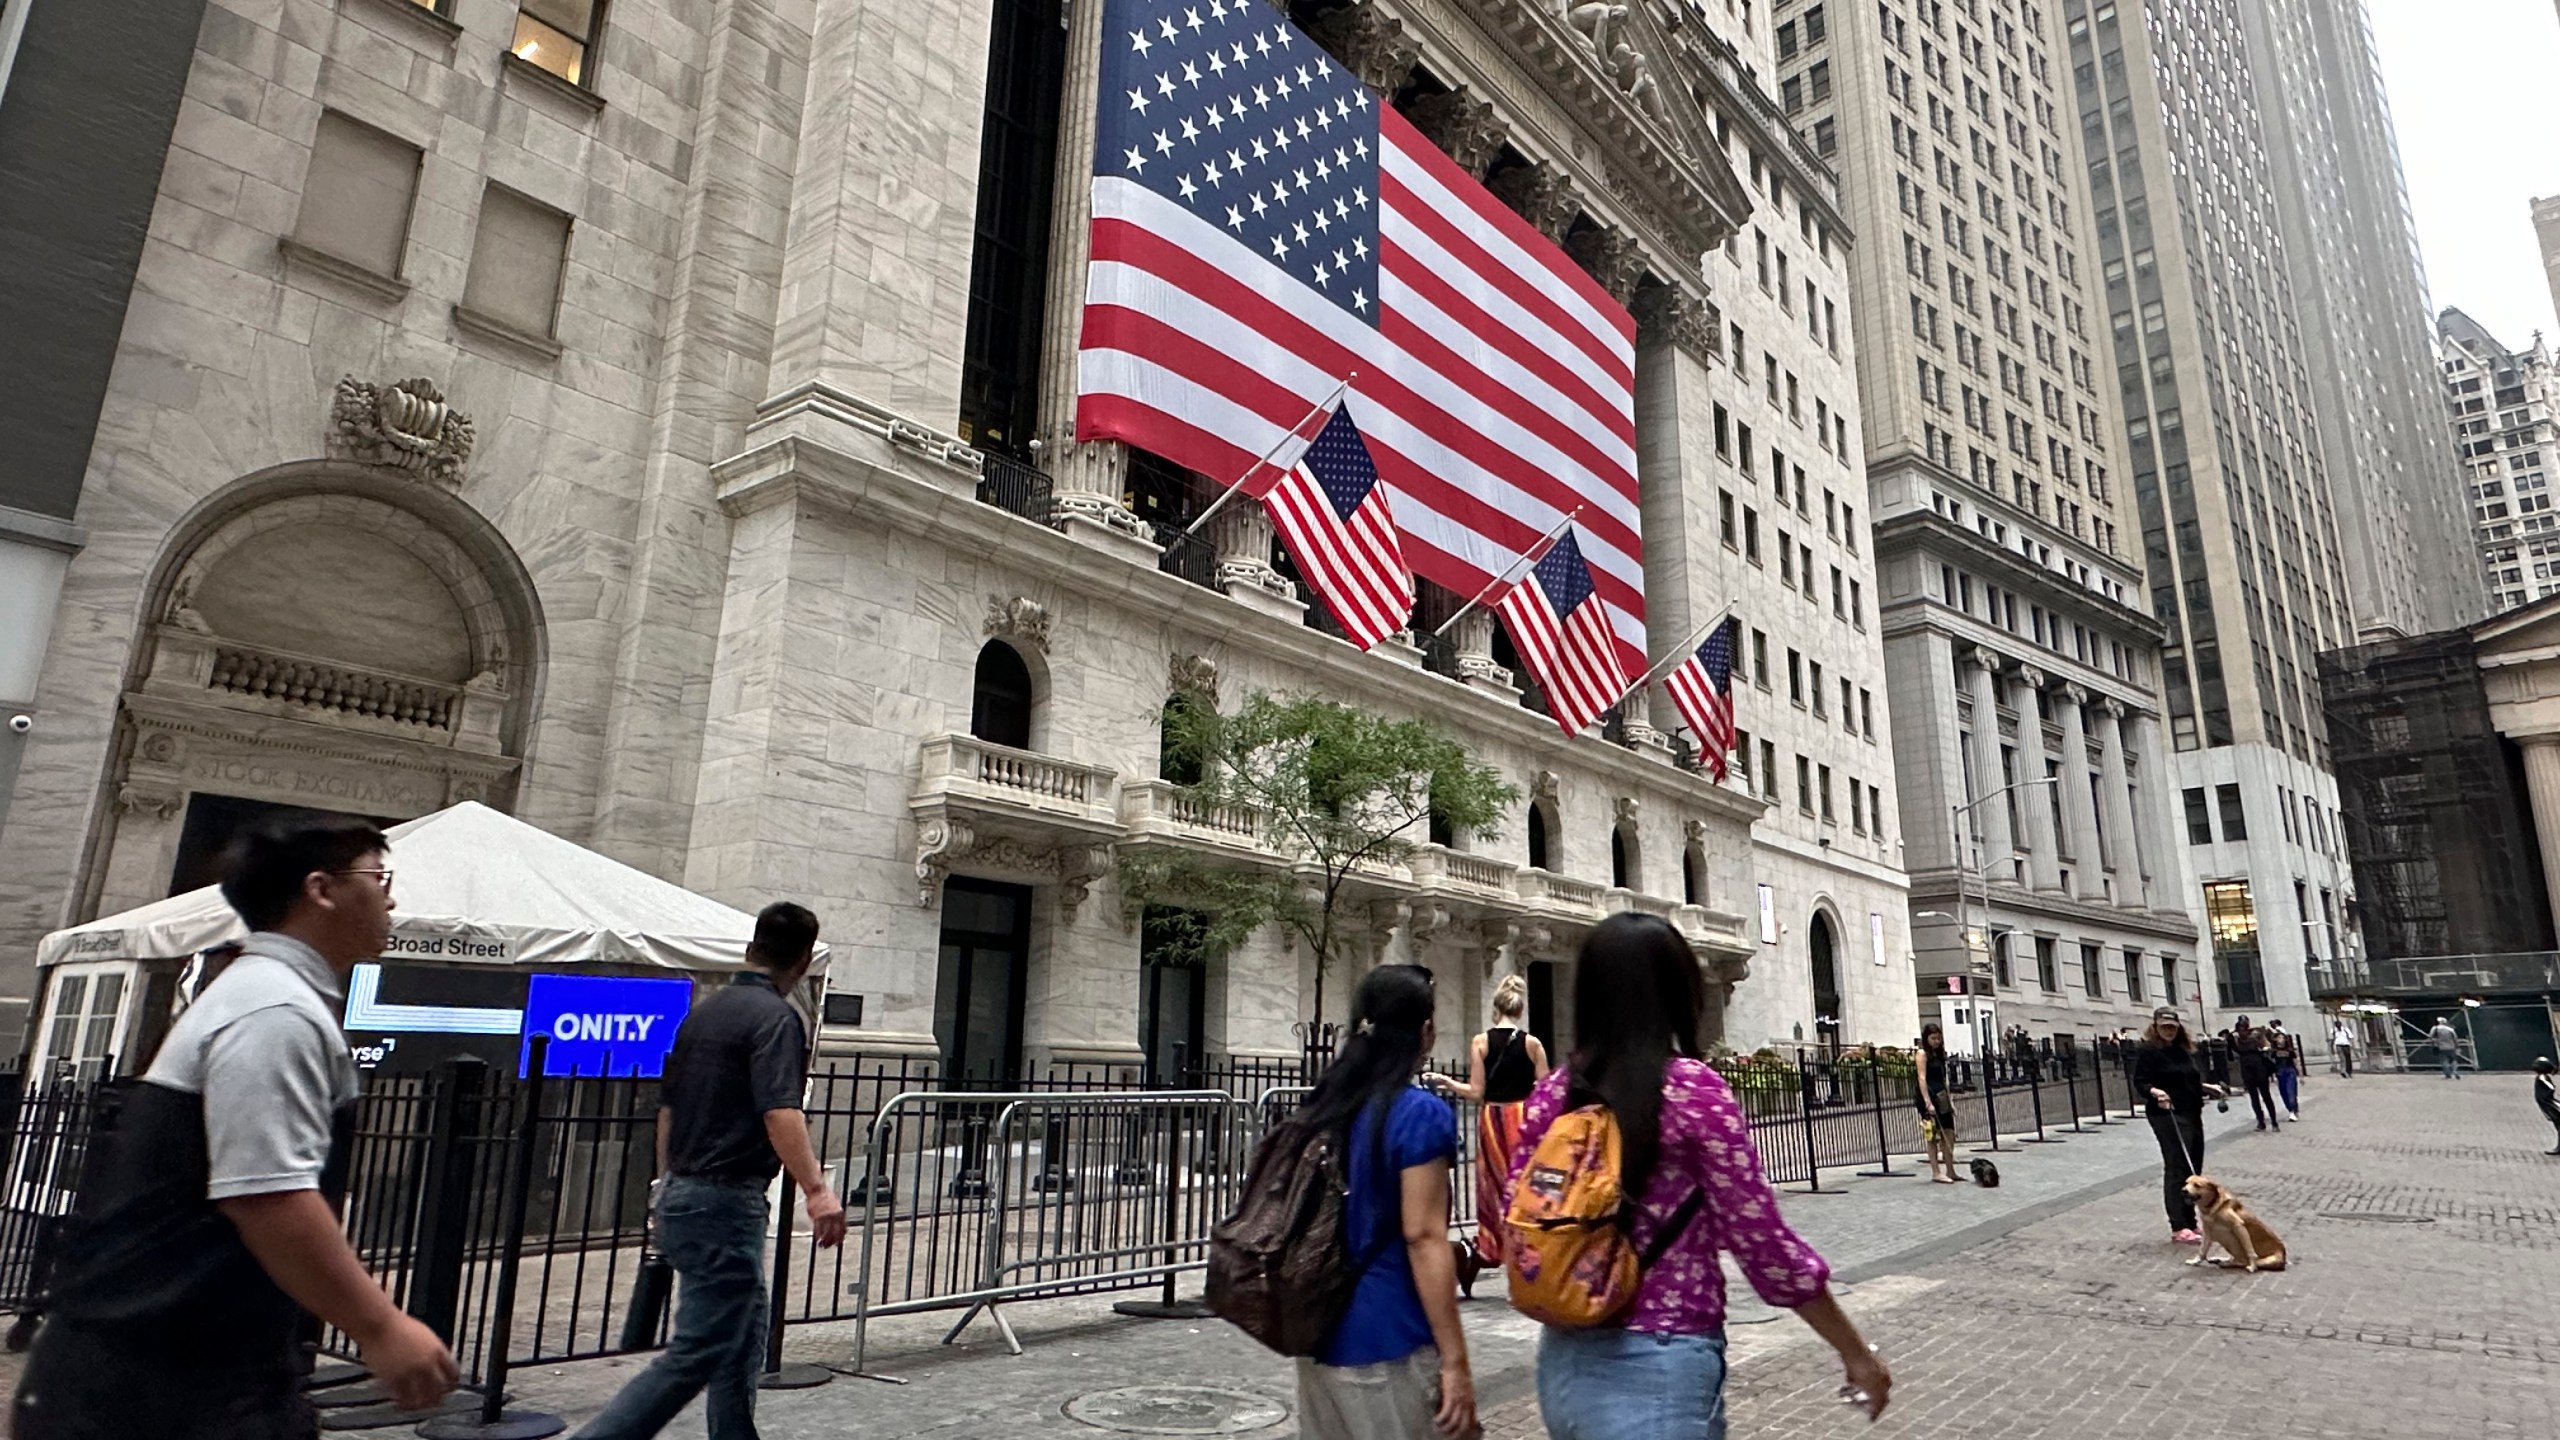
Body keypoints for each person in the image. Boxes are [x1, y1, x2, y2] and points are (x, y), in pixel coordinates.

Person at [12, 815, 458, 1439]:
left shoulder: (261, 995)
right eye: (378, 876)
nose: (391, 896)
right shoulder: (274, 1010)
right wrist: (381, 1326)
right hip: (159, 1382)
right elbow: (266, 1196)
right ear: (321, 890)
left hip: (182, 1366)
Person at [1511, 915, 1889, 1437]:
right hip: (1664, 1360)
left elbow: (1516, 1211)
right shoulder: (1692, 1091)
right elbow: (1762, 1242)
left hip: (1563, 1361)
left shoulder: (1551, 1096)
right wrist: (1854, 1350)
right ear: (1676, 992)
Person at [575, 902, 844, 1440]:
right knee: (697, 1350)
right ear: (805, 960)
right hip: (724, 1198)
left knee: (740, 1331)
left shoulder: (703, 1014)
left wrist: (662, 1185)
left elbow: (667, 1111)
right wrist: (816, 1189)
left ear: (751, 949)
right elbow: (780, 1111)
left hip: (685, 1189)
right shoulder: (775, 1019)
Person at [1291, 965, 1476, 1440]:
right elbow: (1425, 1236)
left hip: (1320, 1335)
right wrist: (1454, 1360)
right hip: (1391, 1337)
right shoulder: (1420, 1113)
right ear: (1426, 1031)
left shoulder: (1328, 1104)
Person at [1422, 973, 1548, 1294]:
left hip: (1492, 1118)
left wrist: (1447, 1081)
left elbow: (1476, 1092)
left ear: (1495, 1009)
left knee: (1492, 1190)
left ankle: (1488, 1251)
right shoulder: (1533, 1044)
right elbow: (1547, 1090)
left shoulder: (1480, 1042)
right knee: (1522, 1190)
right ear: (1519, 1011)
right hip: (1521, 1120)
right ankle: (1526, 1264)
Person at [2133, 1006, 2226, 1245]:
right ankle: (2178, 1225)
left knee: (2193, 1168)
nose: (2169, 1031)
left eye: (2172, 1027)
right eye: (2164, 1027)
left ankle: (2191, 1221)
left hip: (2192, 1111)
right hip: (2167, 1115)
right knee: (2176, 1168)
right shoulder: (2149, 1051)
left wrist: (2207, 1087)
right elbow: (2141, 1082)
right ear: (2155, 1027)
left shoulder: (2184, 1051)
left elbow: (2188, 1079)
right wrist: (2156, 1092)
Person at [1915, 1022, 1961, 1184]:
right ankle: (1936, 1171)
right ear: (1926, 1038)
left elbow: (1944, 1079)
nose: (1936, 1041)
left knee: (1949, 1132)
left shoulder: (1940, 1055)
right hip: (1929, 1095)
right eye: (1933, 1038)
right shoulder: (1922, 1054)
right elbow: (1921, 1078)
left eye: (1938, 1038)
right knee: (1932, 1135)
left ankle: (1950, 1169)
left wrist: (1951, 1100)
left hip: (1942, 1095)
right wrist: (1927, 1102)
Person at [2230, 1016, 2279, 1132]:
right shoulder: (2236, 1039)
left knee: (2265, 1095)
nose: (2241, 1030)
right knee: (2254, 1097)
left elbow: (2267, 1045)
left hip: (2258, 1066)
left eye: (2243, 1027)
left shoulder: (2256, 1035)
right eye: (2239, 1028)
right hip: (2247, 1067)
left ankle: (2274, 1121)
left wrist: (2265, 1048)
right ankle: (2260, 1121)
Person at [2267, 1019, 2301, 1121]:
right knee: (2284, 1092)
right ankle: (2290, 1109)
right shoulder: (2274, 1051)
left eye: (2282, 1038)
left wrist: (2301, 1074)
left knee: (2291, 1091)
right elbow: (2271, 1062)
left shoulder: (2289, 1050)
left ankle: (2293, 1110)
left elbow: (2296, 1061)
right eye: (2279, 1038)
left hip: (2290, 1071)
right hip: (2280, 1072)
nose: (2280, 1040)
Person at [2535, 1059, 2560, 1156]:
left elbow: (2551, 1087)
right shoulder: (2542, 1077)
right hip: (2547, 1102)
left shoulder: (2542, 1077)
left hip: (2549, 1103)